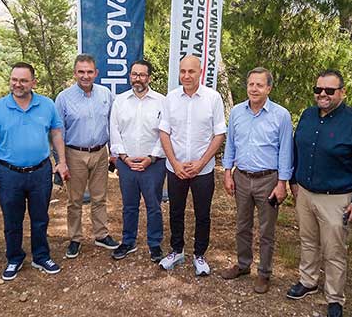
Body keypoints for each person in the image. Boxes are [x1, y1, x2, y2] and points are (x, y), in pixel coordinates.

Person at [287, 70, 352, 317]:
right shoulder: (308, 115)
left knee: (334, 250)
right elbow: (297, 149)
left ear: (342, 92)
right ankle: (308, 281)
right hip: (305, 193)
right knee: (308, 241)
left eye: (329, 90)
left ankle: (335, 297)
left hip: (337, 198)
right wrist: (293, 181)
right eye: (318, 90)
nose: (323, 94)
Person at [0, 62, 69, 281]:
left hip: (40, 172)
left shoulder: (47, 105)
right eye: (14, 79)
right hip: (8, 174)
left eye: (23, 80)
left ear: (33, 82)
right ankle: (14, 258)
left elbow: (56, 134)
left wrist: (62, 162)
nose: (17, 84)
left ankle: (41, 256)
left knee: (40, 218)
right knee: (12, 220)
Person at [220, 67, 293, 294]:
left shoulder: (281, 115)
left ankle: (264, 273)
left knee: (266, 230)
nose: (254, 89)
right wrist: (227, 172)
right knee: (242, 225)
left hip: (268, 180)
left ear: (268, 88)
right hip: (241, 178)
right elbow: (231, 143)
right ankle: (243, 265)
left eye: (259, 85)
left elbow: (286, 151)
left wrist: (282, 183)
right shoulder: (237, 112)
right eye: (251, 84)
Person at [158, 55, 226, 276]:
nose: (186, 76)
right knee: (176, 211)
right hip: (175, 169)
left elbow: (219, 134)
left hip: (203, 170)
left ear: (200, 72)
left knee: (202, 214)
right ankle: (177, 251)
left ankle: (199, 254)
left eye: (191, 71)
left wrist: (200, 163)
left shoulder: (213, 98)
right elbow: (164, 132)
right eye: (183, 71)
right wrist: (175, 163)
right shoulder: (170, 98)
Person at [55, 54, 119, 259]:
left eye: (89, 71)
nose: (85, 76)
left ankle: (101, 234)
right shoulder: (63, 98)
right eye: (81, 72)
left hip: (100, 153)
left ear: (96, 73)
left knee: (99, 197)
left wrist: (113, 152)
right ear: (75, 73)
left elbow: (112, 124)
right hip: (74, 154)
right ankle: (75, 238)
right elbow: (58, 131)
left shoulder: (106, 94)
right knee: (75, 200)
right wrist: (61, 161)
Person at [109, 60, 166, 262]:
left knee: (153, 206)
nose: (137, 78)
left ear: (149, 77)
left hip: (154, 164)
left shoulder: (161, 101)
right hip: (127, 164)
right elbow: (114, 130)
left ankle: (155, 244)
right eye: (134, 74)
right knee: (129, 206)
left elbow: (165, 133)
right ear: (130, 76)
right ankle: (128, 241)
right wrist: (124, 157)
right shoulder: (120, 101)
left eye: (142, 75)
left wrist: (151, 157)